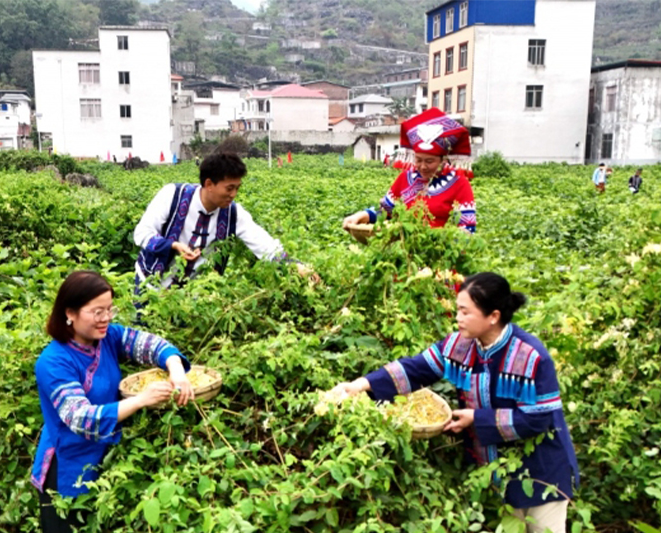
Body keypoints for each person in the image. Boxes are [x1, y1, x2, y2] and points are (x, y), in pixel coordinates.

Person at [329, 272, 579, 533]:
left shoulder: (531, 356)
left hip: (542, 473)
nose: (458, 318)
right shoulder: (461, 346)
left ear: (493, 316)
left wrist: (476, 419)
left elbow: (539, 418)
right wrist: (360, 385)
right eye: (458, 309)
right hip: (496, 472)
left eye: (465, 312)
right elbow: (416, 369)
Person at [32, 271, 194, 532]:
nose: (106, 318)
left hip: (104, 456)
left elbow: (151, 345)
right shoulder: (53, 362)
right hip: (67, 466)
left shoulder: (107, 338)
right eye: (97, 312)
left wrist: (176, 368)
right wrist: (142, 400)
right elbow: (80, 418)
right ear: (69, 313)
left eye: (109, 309)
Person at [134, 152, 312, 291]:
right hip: (150, 287)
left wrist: (294, 266)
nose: (233, 194)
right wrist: (172, 245)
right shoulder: (173, 195)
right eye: (229, 188)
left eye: (237, 188)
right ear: (209, 184)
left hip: (194, 295)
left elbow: (265, 245)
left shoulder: (233, 214)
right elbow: (142, 233)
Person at [342, 108, 476, 233]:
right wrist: (362, 215)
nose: (422, 166)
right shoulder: (405, 178)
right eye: (418, 160)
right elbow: (386, 213)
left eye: (429, 161)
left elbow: (466, 230)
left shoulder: (459, 184)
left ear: (443, 160)